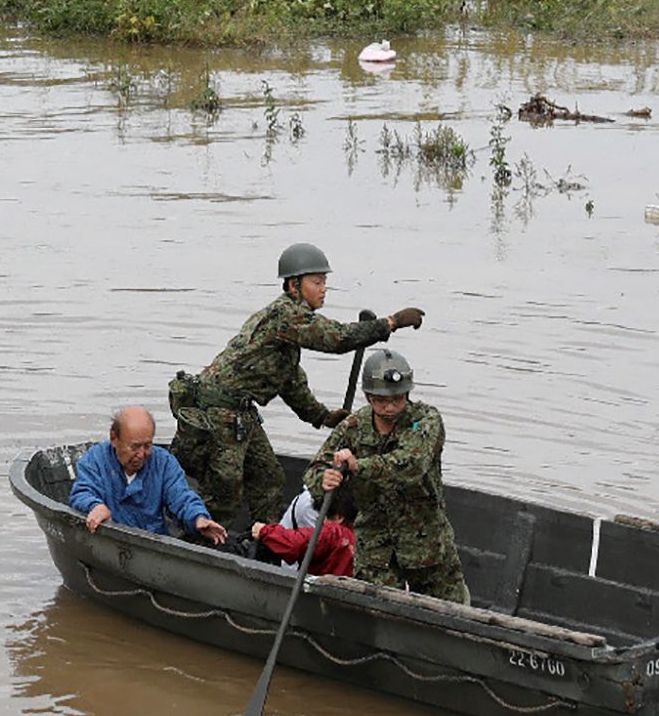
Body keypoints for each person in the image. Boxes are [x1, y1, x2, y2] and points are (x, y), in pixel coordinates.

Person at [168, 242, 423, 536]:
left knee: (269, 479)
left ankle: (270, 547)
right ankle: (198, 548)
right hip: (219, 413)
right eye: (316, 282)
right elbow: (337, 338)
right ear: (293, 286)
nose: (323, 289)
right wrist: (389, 324)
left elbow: (291, 384)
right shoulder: (285, 316)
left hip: (240, 413)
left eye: (325, 282)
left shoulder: (289, 333)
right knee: (225, 494)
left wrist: (323, 417)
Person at [307, 348, 463, 602]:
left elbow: (412, 464)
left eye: (398, 399)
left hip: (425, 539)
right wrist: (325, 479)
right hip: (375, 542)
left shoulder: (426, 420)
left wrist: (359, 466)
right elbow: (316, 469)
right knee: (376, 610)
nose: (391, 407)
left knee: (450, 611)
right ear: (369, 397)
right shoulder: (354, 426)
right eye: (382, 401)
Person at [68, 405, 227, 546]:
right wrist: (95, 506)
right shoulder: (95, 460)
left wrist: (198, 517)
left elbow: (181, 496)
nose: (141, 454)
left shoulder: (163, 462)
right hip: (110, 542)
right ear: (114, 438)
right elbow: (81, 492)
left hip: (153, 544)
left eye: (147, 445)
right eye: (135, 446)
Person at [248, 484, 355, 577]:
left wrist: (265, 531)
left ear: (338, 517)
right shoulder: (357, 537)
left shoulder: (333, 533)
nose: (321, 521)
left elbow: (299, 543)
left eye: (324, 516)